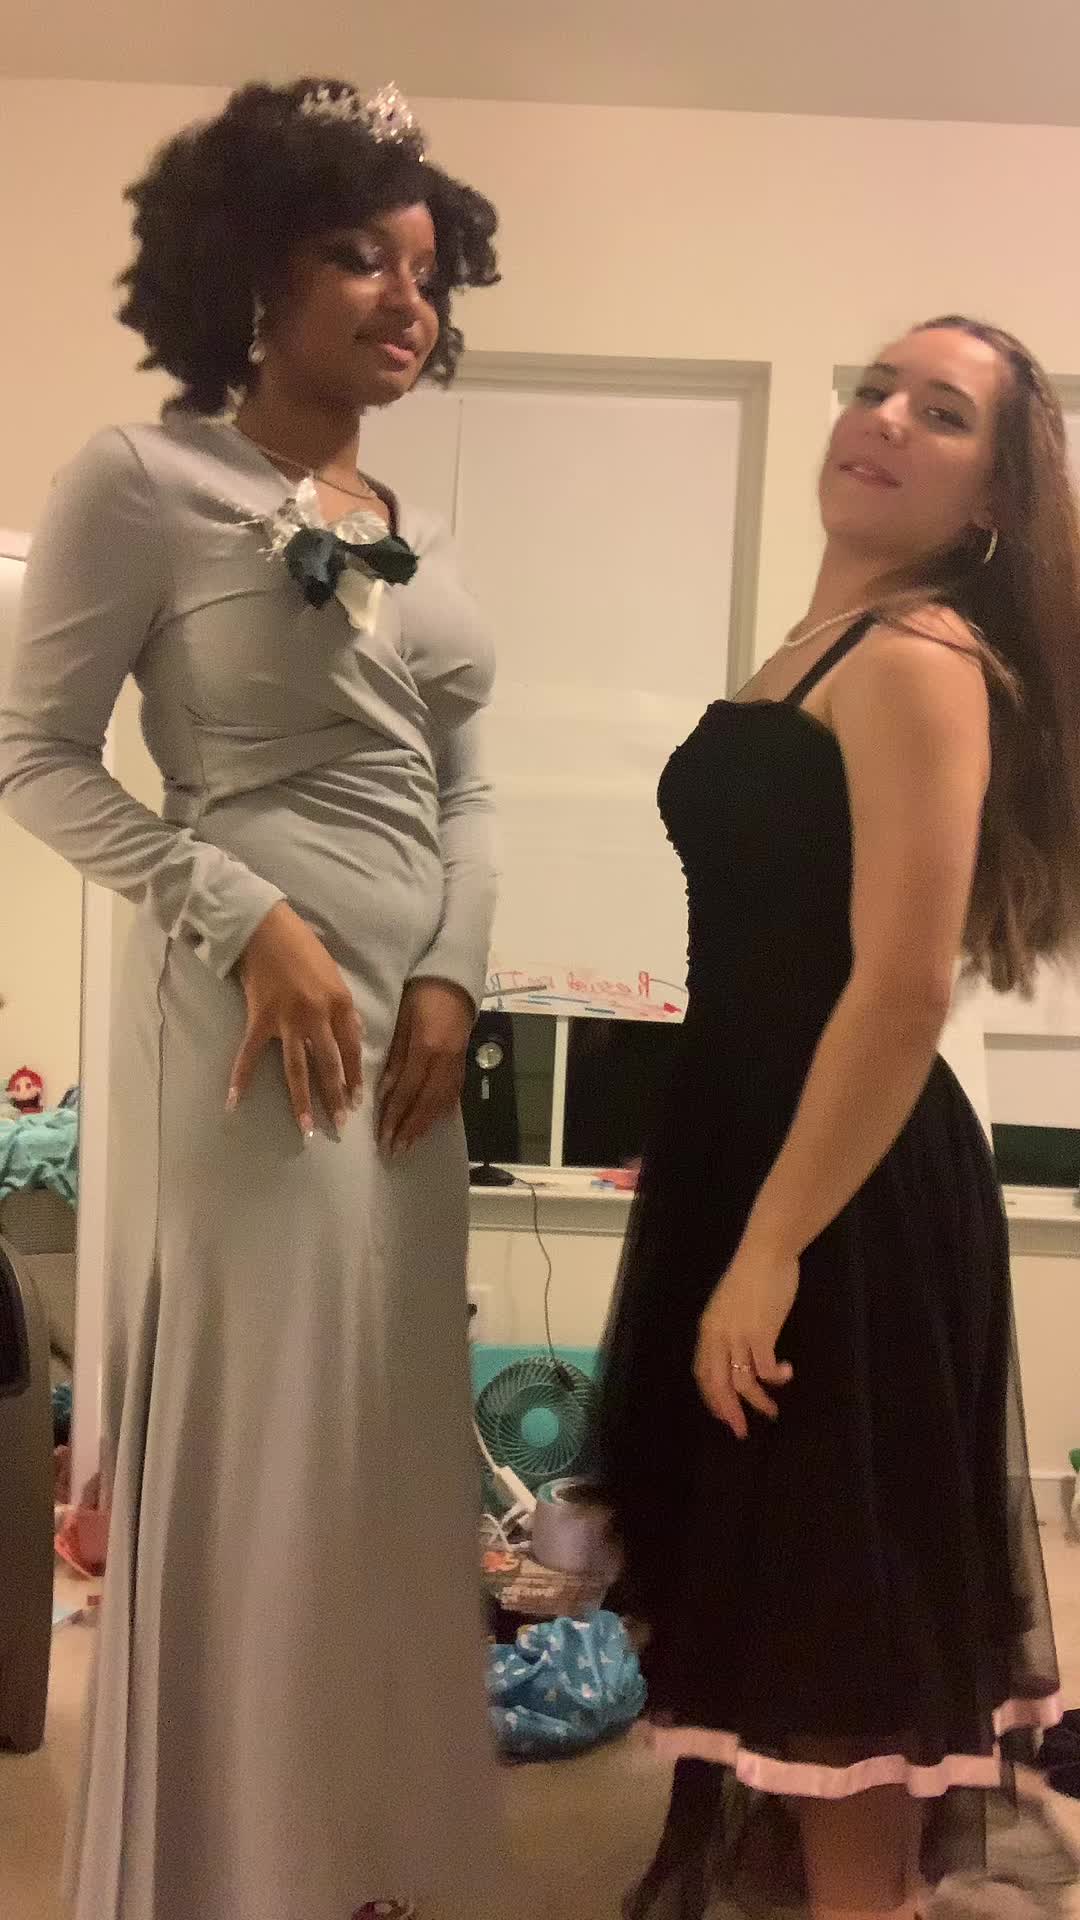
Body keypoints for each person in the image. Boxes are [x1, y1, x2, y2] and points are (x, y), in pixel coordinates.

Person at [0, 79, 504, 1920]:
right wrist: (237, 910)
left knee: (386, 1432)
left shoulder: (415, 527)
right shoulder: (142, 481)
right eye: (358, 256)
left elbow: (472, 788)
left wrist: (454, 971)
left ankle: (364, 1856)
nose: (405, 298)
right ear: (250, 275)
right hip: (252, 1024)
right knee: (273, 1437)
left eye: (427, 269)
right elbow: (34, 756)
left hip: (411, 1050)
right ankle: (234, 1868)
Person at [595, 317, 1077, 1920]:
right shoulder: (817, 647)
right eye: (876, 389)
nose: (883, 418)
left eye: (940, 413)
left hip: (843, 1194)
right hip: (763, 1150)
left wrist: (772, 1244)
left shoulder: (919, 660)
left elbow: (902, 988)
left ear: (990, 499)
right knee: (774, 1603)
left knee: (837, 1636)